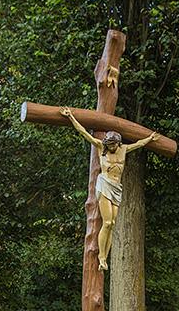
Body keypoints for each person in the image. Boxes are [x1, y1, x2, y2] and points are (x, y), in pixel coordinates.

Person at [60, 106, 160, 270]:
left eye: (113, 144)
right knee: (106, 222)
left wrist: (150, 138)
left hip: (117, 187)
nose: (111, 147)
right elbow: (84, 133)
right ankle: (101, 257)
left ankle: (105, 257)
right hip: (104, 184)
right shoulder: (101, 147)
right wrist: (71, 117)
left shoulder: (124, 149)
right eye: (109, 144)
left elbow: (139, 143)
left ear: (118, 143)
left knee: (112, 223)